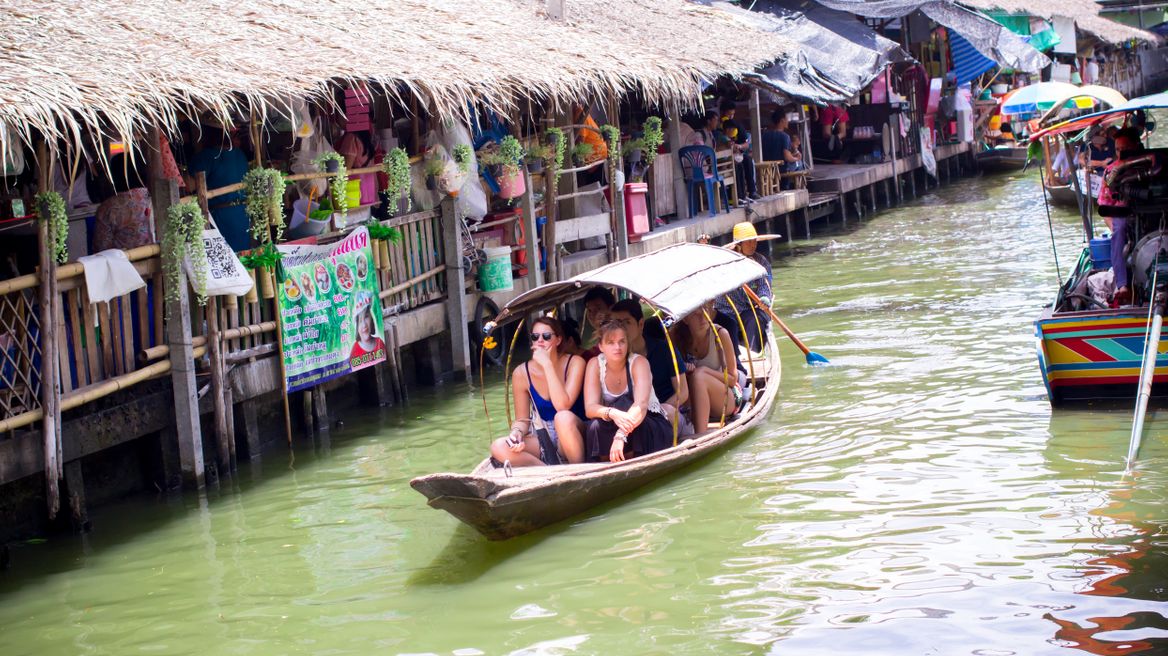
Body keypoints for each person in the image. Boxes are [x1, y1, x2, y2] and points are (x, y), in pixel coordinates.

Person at [490, 316, 587, 466]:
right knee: (498, 446)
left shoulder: (575, 362)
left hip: (573, 431)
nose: (540, 341)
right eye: (535, 337)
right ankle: (545, 470)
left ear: (558, 340)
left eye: (546, 336)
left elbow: (563, 405)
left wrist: (547, 365)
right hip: (544, 436)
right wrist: (517, 433)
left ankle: (579, 470)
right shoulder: (521, 373)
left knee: (562, 418)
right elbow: (522, 420)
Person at [583, 319, 674, 462]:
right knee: (594, 426)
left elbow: (641, 405)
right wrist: (613, 413)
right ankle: (606, 463)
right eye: (611, 343)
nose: (617, 347)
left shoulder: (639, 362)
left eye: (622, 341)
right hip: (616, 420)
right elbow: (590, 408)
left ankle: (632, 459)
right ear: (601, 346)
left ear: (627, 344)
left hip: (644, 421)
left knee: (633, 415)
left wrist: (621, 435)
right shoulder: (595, 364)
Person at [607, 299, 690, 432]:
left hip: (667, 413)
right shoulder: (615, 356)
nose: (621, 328)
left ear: (640, 324)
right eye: (617, 323)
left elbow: (683, 392)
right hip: (634, 417)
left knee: (667, 412)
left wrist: (658, 411)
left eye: (626, 322)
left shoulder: (664, 349)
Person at [676, 302, 742, 435]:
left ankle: (700, 435)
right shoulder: (677, 336)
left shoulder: (720, 334)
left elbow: (732, 379)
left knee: (699, 376)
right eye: (696, 314)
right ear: (686, 319)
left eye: (705, 311)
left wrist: (703, 371)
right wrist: (685, 370)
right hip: (693, 399)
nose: (703, 318)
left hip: (727, 397)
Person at [186, 123, 250, 252]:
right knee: (242, 256)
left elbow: (189, 185)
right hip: (242, 213)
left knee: (223, 255)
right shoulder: (240, 155)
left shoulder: (206, 156)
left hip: (220, 216)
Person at [1100, 128, 1145, 306]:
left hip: (1153, 209)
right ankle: (1122, 285)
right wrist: (1114, 227)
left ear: (1136, 146)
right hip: (1123, 214)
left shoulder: (1148, 164)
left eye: (1125, 148)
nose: (1121, 153)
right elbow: (1104, 206)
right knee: (1118, 232)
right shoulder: (1111, 171)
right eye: (1118, 149)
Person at [715, 222, 776, 353]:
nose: (753, 245)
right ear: (738, 245)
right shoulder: (725, 263)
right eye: (748, 242)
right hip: (727, 310)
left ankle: (752, 353)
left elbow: (764, 283)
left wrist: (764, 297)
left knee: (755, 319)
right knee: (719, 325)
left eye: (754, 241)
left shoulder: (761, 262)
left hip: (750, 309)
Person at [92, 153, 154, 252]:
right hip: (161, 261)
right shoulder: (156, 199)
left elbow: (102, 249)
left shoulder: (108, 208)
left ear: (114, 176)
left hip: (124, 265)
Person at [721, 100, 758, 201]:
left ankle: (752, 191)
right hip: (725, 158)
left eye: (733, 114)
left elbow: (746, 144)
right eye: (729, 114)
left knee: (748, 160)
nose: (731, 116)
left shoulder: (737, 126)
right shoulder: (719, 128)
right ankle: (738, 195)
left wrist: (739, 146)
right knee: (738, 166)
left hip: (739, 154)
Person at [349, 294, 386, 367]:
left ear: (371, 319)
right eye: (359, 321)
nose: (364, 325)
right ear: (356, 328)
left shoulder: (379, 342)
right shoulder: (354, 350)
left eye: (366, 317)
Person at [581, 286, 615, 355]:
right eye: (590, 310)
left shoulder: (620, 333)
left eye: (598, 308)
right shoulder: (592, 346)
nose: (593, 314)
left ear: (611, 308)